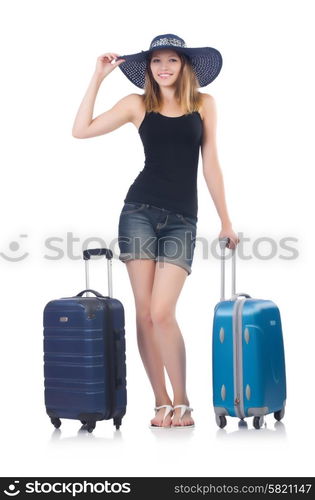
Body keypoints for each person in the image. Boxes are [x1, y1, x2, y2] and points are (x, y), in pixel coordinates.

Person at [72, 33, 240, 428]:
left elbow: (210, 164)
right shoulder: (137, 105)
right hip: (139, 212)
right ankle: (160, 401)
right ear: (148, 68)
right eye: (156, 61)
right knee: (145, 314)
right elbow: (81, 130)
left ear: (184, 67)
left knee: (163, 311)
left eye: (172, 61)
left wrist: (226, 221)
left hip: (183, 218)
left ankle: (182, 400)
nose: (163, 68)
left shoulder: (204, 104)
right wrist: (98, 78)